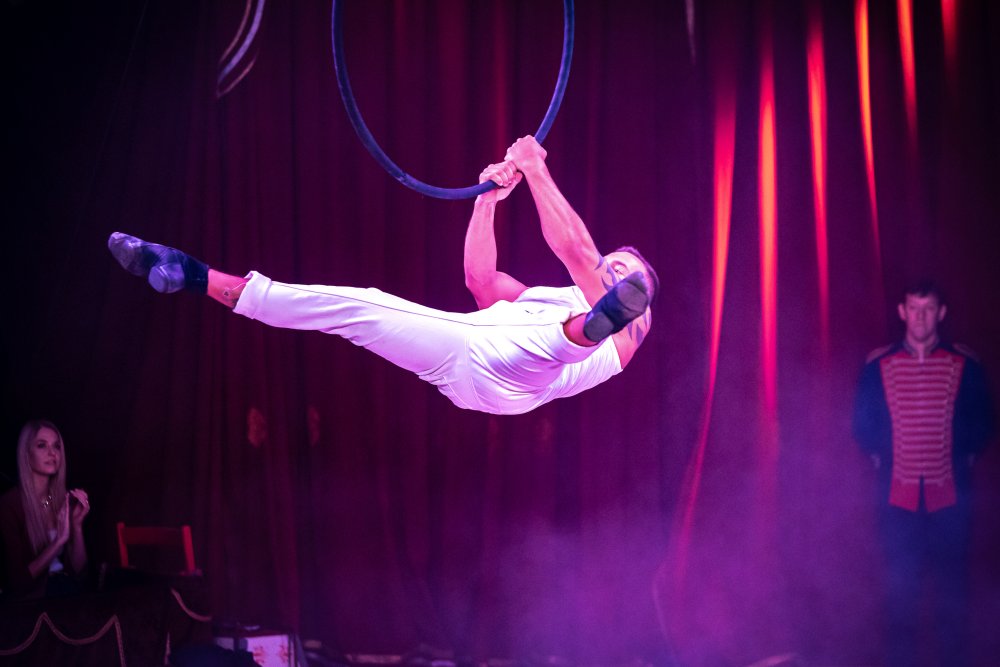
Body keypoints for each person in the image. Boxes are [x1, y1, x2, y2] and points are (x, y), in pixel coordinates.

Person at [107, 136, 657, 416]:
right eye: (616, 265)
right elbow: (480, 281)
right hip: (464, 355)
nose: (615, 273)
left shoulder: (636, 322)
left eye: (627, 276)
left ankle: (587, 330)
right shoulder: (547, 296)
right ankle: (198, 276)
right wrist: (488, 201)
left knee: (560, 344)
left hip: (521, 376)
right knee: (360, 308)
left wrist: (535, 165)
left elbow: (576, 249)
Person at [852, 280, 995, 667]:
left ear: (941, 313)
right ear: (902, 312)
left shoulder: (964, 363)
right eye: (914, 309)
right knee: (900, 596)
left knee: (952, 597)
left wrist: (963, 455)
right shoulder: (878, 365)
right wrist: (880, 453)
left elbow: (983, 420)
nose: (920, 317)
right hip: (896, 503)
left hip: (950, 502)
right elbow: (861, 423)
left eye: (928, 309)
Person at [0, 420, 90, 600]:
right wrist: (58, 542)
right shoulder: (9, 504)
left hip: (66, 593)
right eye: (42, 445)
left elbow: (80, 573)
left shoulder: (64, 500)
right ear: (27, 454)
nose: (52, 453)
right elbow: (17, 583)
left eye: (56, 446)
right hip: (33, 602)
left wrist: (77, 526)